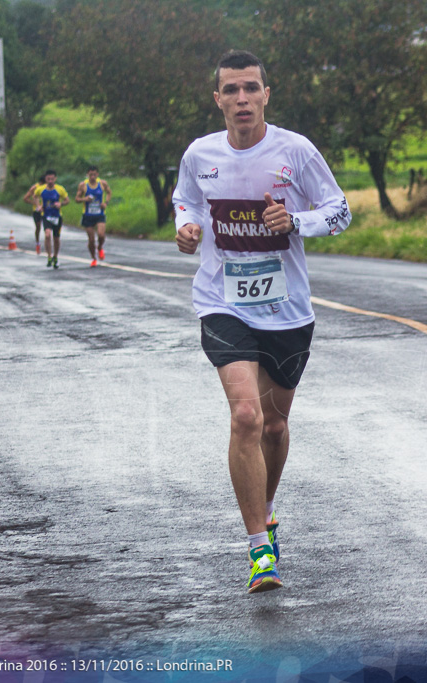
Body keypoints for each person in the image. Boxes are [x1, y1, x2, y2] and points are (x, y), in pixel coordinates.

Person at [173, 50, 352, 593]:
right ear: (219, 99)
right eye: (232, 90)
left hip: (287, 310)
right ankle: (259, 551)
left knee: (274, 425)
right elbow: (186, 201)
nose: (242, 98)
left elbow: (340, 211)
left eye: (251, 88)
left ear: (266, 95)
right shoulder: (200, 153)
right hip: (222, 302)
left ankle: (267, 507)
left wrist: (295, 220)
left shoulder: (295, 151)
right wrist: (185, 226)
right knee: (246, 416)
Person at [75, 165, 111, 266]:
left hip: (99, 214)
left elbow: (109, 193)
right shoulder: (83, 185)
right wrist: (84, 199)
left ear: (97, 174)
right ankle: (94, 258)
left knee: (101, 235)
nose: (92, 177)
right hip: (87, 215)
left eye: (94, 175)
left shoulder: (102, 183)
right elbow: (77, 199)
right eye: (90, 175)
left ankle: (100, 247)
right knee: (91, 239)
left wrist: (106, 203)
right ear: (88, 175)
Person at [35, 170, 68, 269]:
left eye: (52, 179)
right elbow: (35, 196)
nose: (50, 181)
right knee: (47, 235)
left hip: (57, 216)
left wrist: (60, 204)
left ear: (55, 179)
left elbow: (67, 200)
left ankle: (55, 257)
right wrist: (38, 206)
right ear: (45, 179)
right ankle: (49, 256)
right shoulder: (40, 189)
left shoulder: (60, 189)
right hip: (46, 216)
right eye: (48, 179)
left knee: (56, 238)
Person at [22, 175, 47, 254]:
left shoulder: (49, 187)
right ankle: (37, 242)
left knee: (47, 228)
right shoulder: (34, 188)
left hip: (46, 210)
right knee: (38, 226)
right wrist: (34, 203)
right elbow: (25, 198)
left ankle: (47, 244)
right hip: (36, 211)